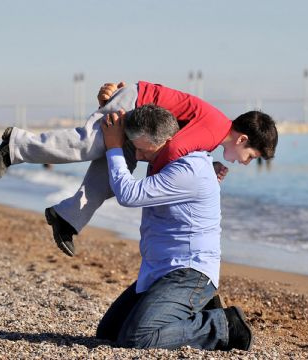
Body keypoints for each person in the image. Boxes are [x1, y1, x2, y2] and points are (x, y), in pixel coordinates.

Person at [0, 81, 278, 256]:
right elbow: (174, 151)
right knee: (85, 144)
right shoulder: (215, 129)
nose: (245, 162)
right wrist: (158, 186)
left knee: (112, 174)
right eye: (250, 155)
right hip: (133, 106)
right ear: (242, 139)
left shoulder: (212, 137)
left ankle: (67, 217)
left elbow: (176, 151)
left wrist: (204, 167)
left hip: (141, 122)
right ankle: (15, 144)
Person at [95, 104, 253, 351]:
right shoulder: (168, 161)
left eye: (140, 149)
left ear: (167, 141)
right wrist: (112, 101)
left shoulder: (188, 168)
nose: (137, 156)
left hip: (190, 272)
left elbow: (128, 195)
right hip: (161, 270)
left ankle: (221, 325)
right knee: (108, 333)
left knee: (137, 338)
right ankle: (195, 310)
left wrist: (114, 147)